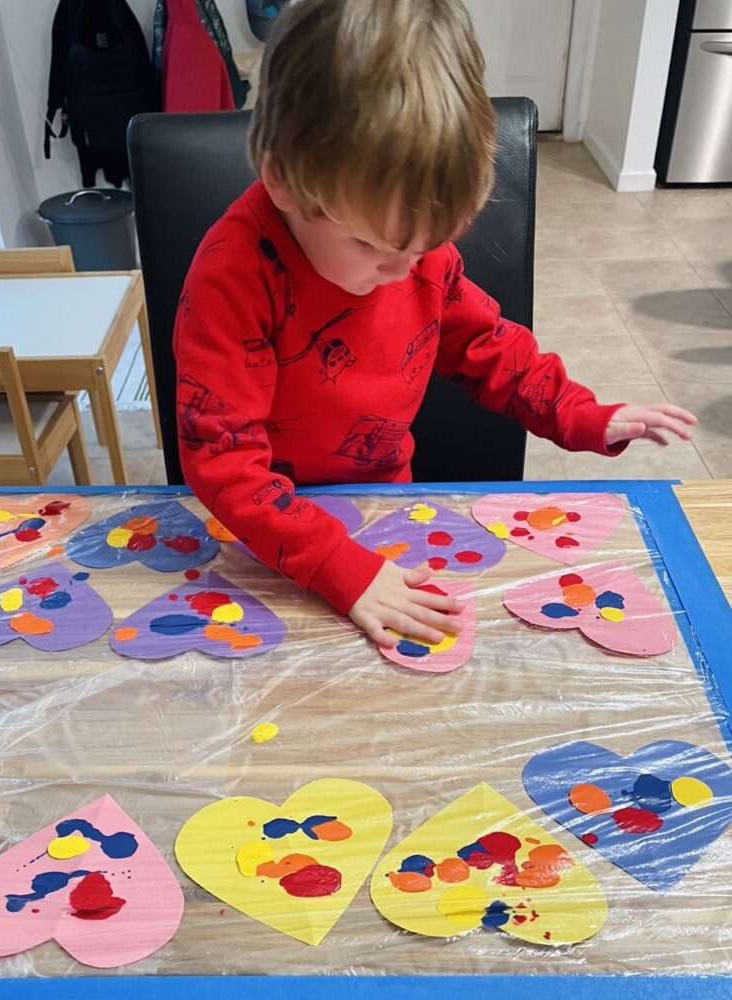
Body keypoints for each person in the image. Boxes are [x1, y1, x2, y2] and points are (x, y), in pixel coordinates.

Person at [173, 0, 696, 649]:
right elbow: (224, 461)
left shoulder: (415, 257)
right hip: (268, 542)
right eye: (371, 246)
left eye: (421, 250)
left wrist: (582, 412)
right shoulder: (233, 277)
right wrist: (339, 568)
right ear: (283, 180)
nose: (404, 273)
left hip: (386, 510)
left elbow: (487, 346)